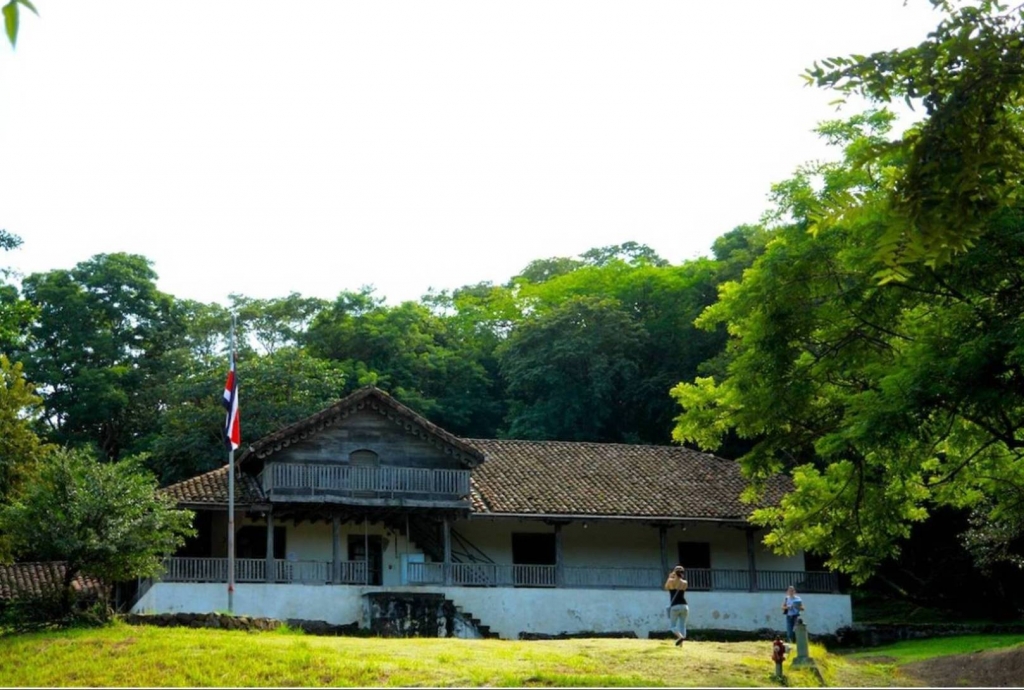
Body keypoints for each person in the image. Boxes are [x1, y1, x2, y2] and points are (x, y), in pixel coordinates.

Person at [664, 565, 689, 646]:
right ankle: (681, 645)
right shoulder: (685, 582)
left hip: (675, 606)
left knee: (673, 626)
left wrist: (670, 576)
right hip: (684, 606)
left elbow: (666, 587)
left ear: (674, 572)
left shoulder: (670, 581)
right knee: (682, 625)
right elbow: (683, 588)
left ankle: (680, 637)